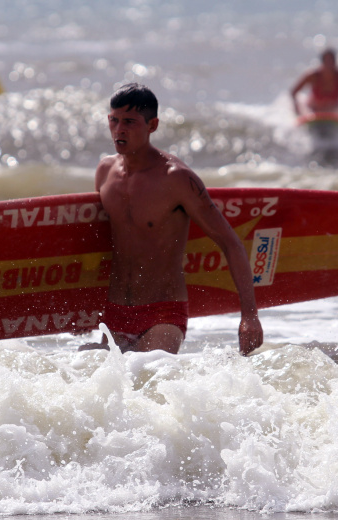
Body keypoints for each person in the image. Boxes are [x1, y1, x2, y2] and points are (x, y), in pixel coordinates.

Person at [84, 83, 263, 355]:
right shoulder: (105, 171)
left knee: (152, 379)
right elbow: (97, 245)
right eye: (114, 120)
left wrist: (249, 316)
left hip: (162, 314)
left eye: (130, 122)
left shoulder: (176, 179)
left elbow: (230, 243)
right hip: (114, 312)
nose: (119, 130)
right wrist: (80, 310)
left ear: (152, 125)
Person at [290, 48, 338, 114]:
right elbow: (293, 92)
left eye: (331, 61)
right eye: (327, 61)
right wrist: (297, 109)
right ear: (322, 62)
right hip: (315, 109)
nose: (329, 64)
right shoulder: (313, 76)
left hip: (335, 109)